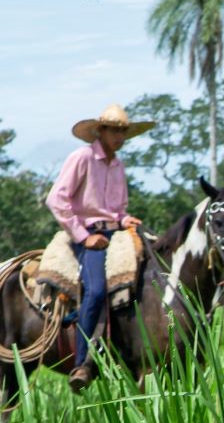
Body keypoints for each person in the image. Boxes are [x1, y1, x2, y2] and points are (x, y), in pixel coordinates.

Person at [45, 104, 154, 392]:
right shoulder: (81, 158)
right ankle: (83, 362)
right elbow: (57, 200)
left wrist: (125, 218)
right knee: (94, 290)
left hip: (114, 234)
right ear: (100, 131)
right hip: (87, 235)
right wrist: (83, 236)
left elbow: (116, 209)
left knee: (145, 279)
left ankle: (128, 351)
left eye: (123, 131)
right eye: (115, 130)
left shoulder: (118, 165)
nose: (120, 136)